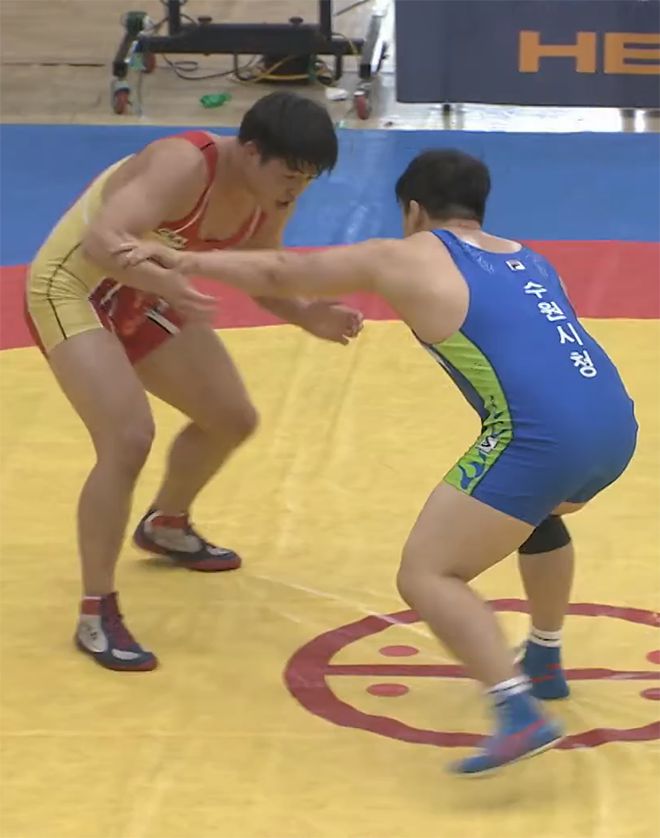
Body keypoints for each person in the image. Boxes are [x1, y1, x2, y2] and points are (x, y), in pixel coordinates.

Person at [116, 148, 638, 773]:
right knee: (539, 513)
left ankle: (516, 709)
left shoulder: (404, 255)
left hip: (543, 439)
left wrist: (185, 259)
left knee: (427, 573)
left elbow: (284, 270)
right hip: (615, 428)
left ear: (413, 210)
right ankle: (545, 658)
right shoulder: (529, 258)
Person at [24, 91, 363, 673]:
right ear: (251, 151)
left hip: (139, 291)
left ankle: (166, 524)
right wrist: (164, 283)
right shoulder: (183, 164)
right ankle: (95, 611)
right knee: (127, 438)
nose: (295, 190)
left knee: (231, 418)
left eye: (307, 179)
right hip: (72, 288)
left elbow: (262, 270)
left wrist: (306, 314)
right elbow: (102, 239)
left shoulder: (267, 196)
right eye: (289, 175)